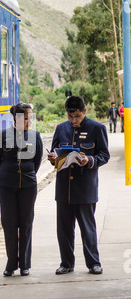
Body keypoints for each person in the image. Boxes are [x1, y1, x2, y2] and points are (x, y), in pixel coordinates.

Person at [48, 96, 110, 275]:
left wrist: (88, 160)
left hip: (85, 188)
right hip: (64, 188)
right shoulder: (61, 128)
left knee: (88, 229)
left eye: (77, 117)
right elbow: (55, 153)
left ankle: (93, 263)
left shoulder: (97, 128)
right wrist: (53, 159)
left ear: (84, 112)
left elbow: (104, 155)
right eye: (70, 117)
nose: (73, 120)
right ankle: (66, 263)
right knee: (64, 229)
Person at [0, 103, 43, 277]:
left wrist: (28, 175)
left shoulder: (35, 136)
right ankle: (11, 264)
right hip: (7, 186)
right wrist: (8, 174)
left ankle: (25, 265)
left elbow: (37, 161)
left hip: (28, 186)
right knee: (9, 225)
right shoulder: (2, 135)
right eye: (26, 117)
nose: (29, 120)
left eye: (30, 117)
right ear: (16, 118)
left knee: (26, 224)